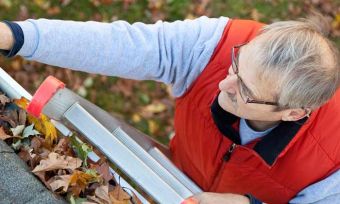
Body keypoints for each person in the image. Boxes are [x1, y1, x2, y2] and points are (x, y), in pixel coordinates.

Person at [0, 12, 339, 204]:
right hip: (168, 177)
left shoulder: (333, 164)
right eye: (236, 64)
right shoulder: (216, 43)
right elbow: (120, 45)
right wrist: (15, 36)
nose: (223, 85)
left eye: (244, 92)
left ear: (294, 112)